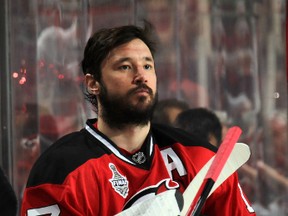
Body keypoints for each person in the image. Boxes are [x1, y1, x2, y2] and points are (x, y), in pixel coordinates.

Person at [21, 22, 256, 215]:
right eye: (124, 67)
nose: (141, 76)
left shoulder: (199, 157)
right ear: (93, 84)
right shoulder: (61, 171)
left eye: (147, 65)